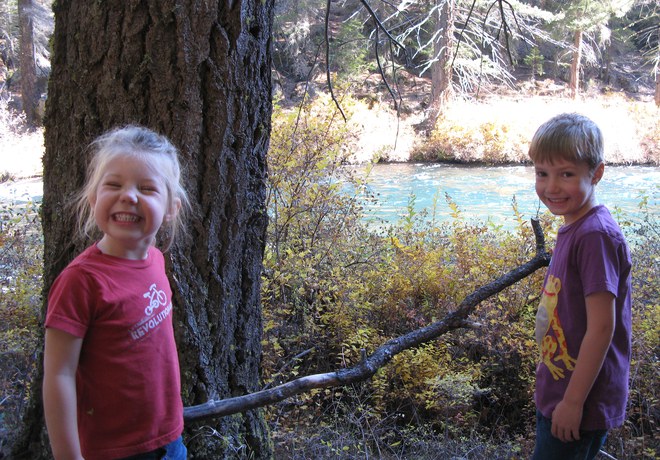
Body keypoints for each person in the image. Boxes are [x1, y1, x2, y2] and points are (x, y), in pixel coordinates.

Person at [43, 125, 192, 460]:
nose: (129, 195)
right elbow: (58, 375)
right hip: (111, 451)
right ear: (94, 198)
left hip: (170, 440)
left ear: (171, 209)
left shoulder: (155, 261)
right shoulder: (81, 281)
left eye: (147, 188)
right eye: (113, 184)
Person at [528, 113, 632, 460]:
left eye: (566, 174)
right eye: (542, 173)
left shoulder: (595, 236)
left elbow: (602, 327)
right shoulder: (575, 226)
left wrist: (572, 402)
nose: (551, 187)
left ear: (596, 173)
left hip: (581, 400)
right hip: (562, 388)